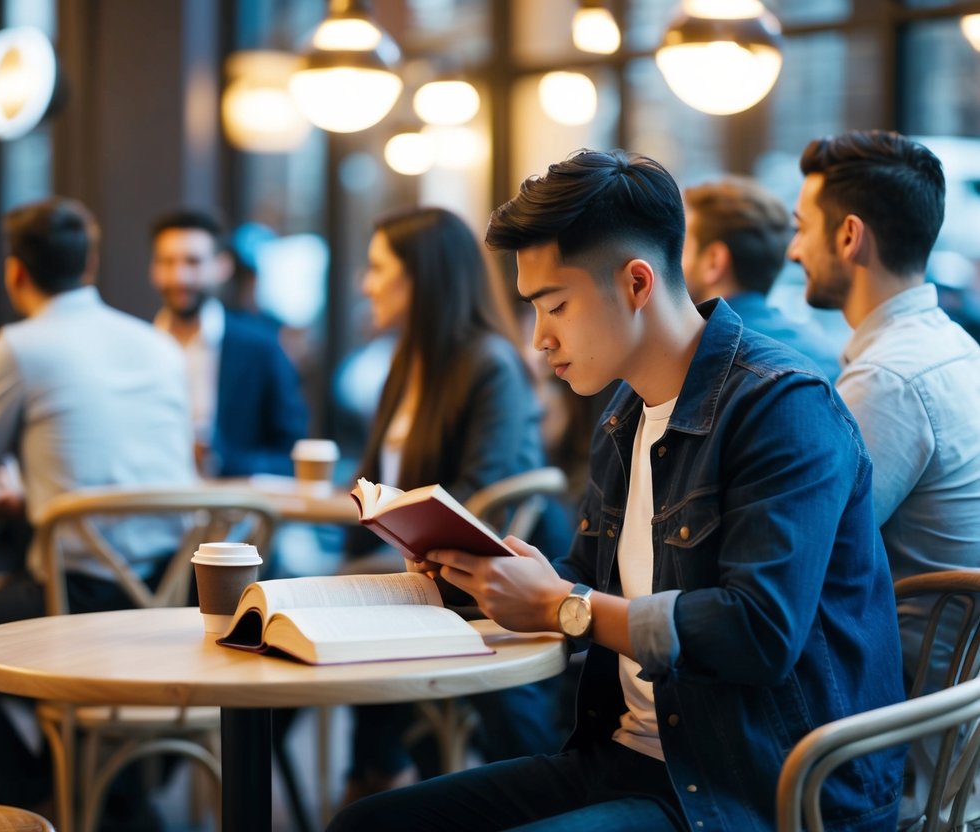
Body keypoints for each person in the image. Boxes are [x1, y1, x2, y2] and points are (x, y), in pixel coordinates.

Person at [329, 150, 905, 832]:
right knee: (365, 824)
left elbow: (757, 632)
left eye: (556, 306)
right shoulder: (622, 411)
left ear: (636, 282)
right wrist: (481, 574)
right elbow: (588, 579)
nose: (539, 338)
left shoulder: (782, 406)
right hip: (632, 758)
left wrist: (567, 607)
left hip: (754, 786)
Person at [0, 198, 196, 814]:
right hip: (175, 596)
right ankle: (101, 799)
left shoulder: (21, 346)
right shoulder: (158, 344)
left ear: (15, 273)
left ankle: (42, 798)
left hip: (81, 601)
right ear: (89, 264)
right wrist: (41, 489)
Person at [344, 206, 571, 800]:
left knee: (313, 601)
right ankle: (372, 773)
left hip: (477, 569)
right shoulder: (408, 362)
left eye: (377, 269)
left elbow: (483, 496)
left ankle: (372, 776)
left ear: (424, 276)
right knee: (291, 603)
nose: (365, 284)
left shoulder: (488, 363)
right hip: (413, 561)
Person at [788, 129, 980, 826]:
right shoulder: (949, 345)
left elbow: (800, 563)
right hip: (955, 729)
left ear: (847, 236)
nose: (791, 250)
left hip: (886, 745)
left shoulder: (887, 380)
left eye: (799, 227)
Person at [149, 209, 308, 477]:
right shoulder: (139, 349)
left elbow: (292, 454)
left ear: (222, 266)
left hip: (236, 511)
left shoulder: (260, 349)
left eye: (193, 262)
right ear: (153, 270)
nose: (180, 277)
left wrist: (220, 460)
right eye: (167, 262)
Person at [682, 175, 843, 381]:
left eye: (681, 249)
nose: (671, 262)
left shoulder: (690, 359)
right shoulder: (823, 354)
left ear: (714, 261)